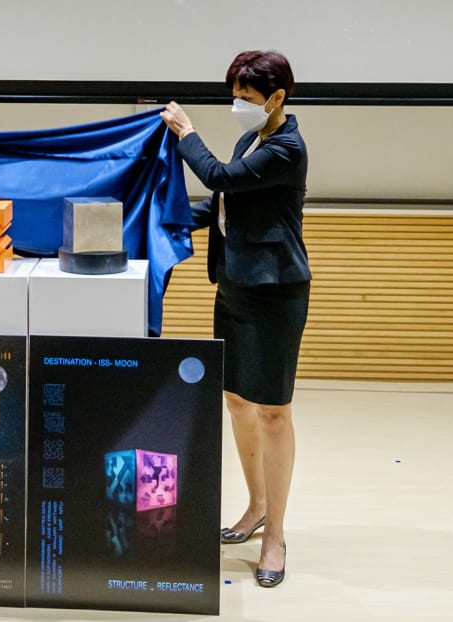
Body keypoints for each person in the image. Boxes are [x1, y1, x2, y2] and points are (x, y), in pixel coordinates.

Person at [160, 50, 310, 588]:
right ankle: (256, 507)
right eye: (235, 96)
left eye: (246, 98)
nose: (238, 107)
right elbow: (226, 202)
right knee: (237, 400)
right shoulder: (254, 140)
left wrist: (186, 135)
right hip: (236, 286)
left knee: (273, 412)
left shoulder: (288, 148)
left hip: (275, 293)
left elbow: (219, 175)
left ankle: (276, 535)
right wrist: (165, 225)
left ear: (276, 97)